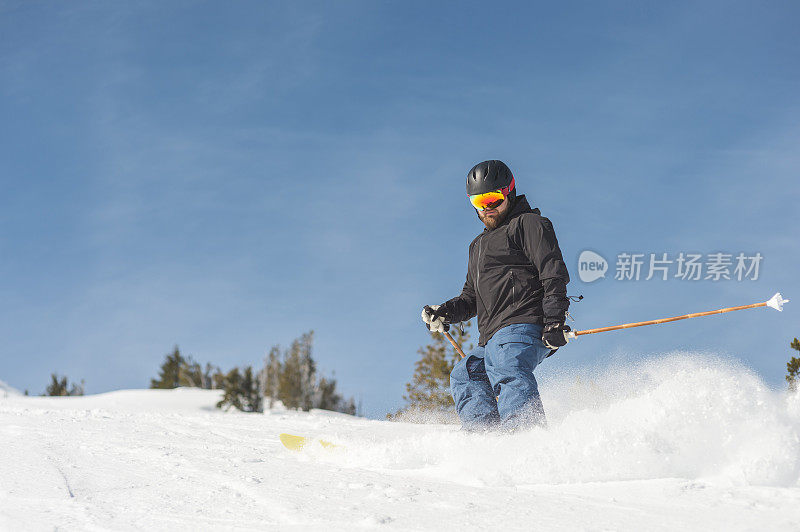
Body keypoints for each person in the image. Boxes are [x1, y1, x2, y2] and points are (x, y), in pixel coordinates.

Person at [421, 160, 571, 431]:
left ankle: (526, 439)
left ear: (509, 193)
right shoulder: (477, 246)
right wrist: (444, 312)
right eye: (479, 201)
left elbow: (553, 272)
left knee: (507, 365)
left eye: (493, 198)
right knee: (465, 375)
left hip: (524, 323)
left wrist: (554, 320)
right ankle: (487, 443)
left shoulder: (528, 224)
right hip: (491, 338)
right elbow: (470, 299)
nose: (487, 208)